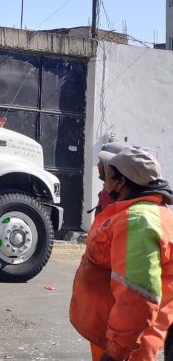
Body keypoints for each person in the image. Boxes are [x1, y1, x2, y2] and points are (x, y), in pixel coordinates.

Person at [70, 147, 173, 361]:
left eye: (108, 175)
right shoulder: (155, 213)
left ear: (122, 182)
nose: (104, 180)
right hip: (126, 335)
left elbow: (137, 297)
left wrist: (117, 352)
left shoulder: (137, 222)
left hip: (128, 345)